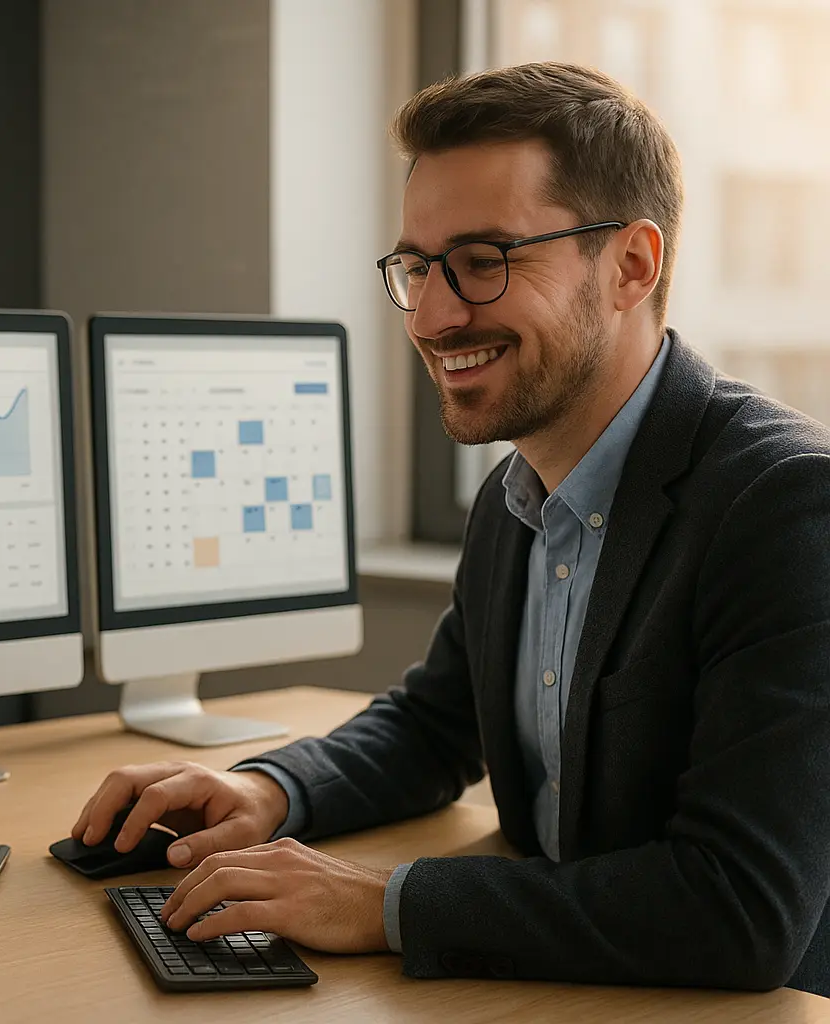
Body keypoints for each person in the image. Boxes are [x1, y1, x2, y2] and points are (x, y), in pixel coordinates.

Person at [70, 61, 830, 994]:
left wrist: (385, 903)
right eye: (417, 267)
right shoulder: (520, 491)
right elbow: (436, 726)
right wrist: (267, 791)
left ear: (633, 264)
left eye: (483, 262)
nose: (431, 316)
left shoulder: (785, 505)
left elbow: (739, 909)